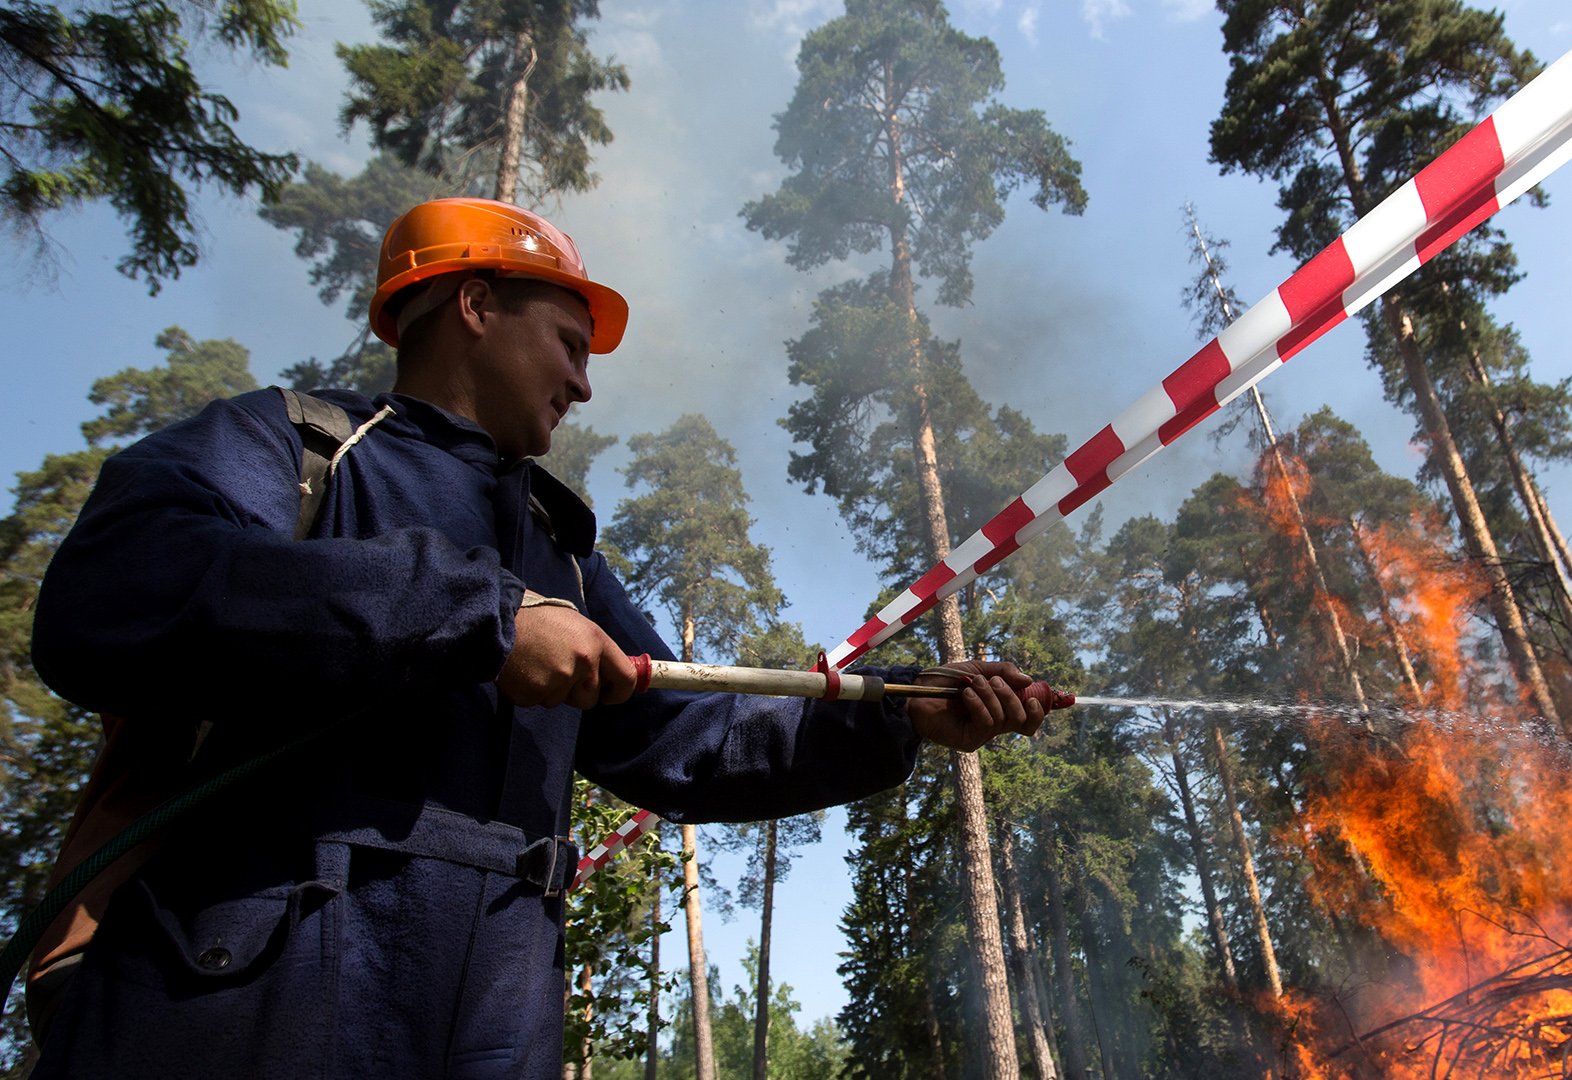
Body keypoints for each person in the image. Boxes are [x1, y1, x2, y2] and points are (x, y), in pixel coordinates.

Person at [24, 197, 1048, 1077]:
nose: (586, 383)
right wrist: (475, 616)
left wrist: (897, 713)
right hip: (244, 1002)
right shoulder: (293, 447)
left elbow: (685, 735)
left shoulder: (559, 552)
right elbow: (114, 589)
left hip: (497, 1022)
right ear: (473, 304)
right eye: (568, 342)